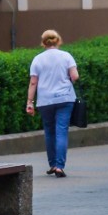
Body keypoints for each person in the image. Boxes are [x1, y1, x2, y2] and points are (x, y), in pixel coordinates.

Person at [25, 30, 79, 178]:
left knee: (49, 132)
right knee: (61, 131)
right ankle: (60, 167)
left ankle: (53, 164)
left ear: (43, 42)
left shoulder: (37, 59)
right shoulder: (66, 56)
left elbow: (33, 82)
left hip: (45, 100)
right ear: (58, 40)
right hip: (65, 98)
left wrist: (30, 102)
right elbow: (75, 76)